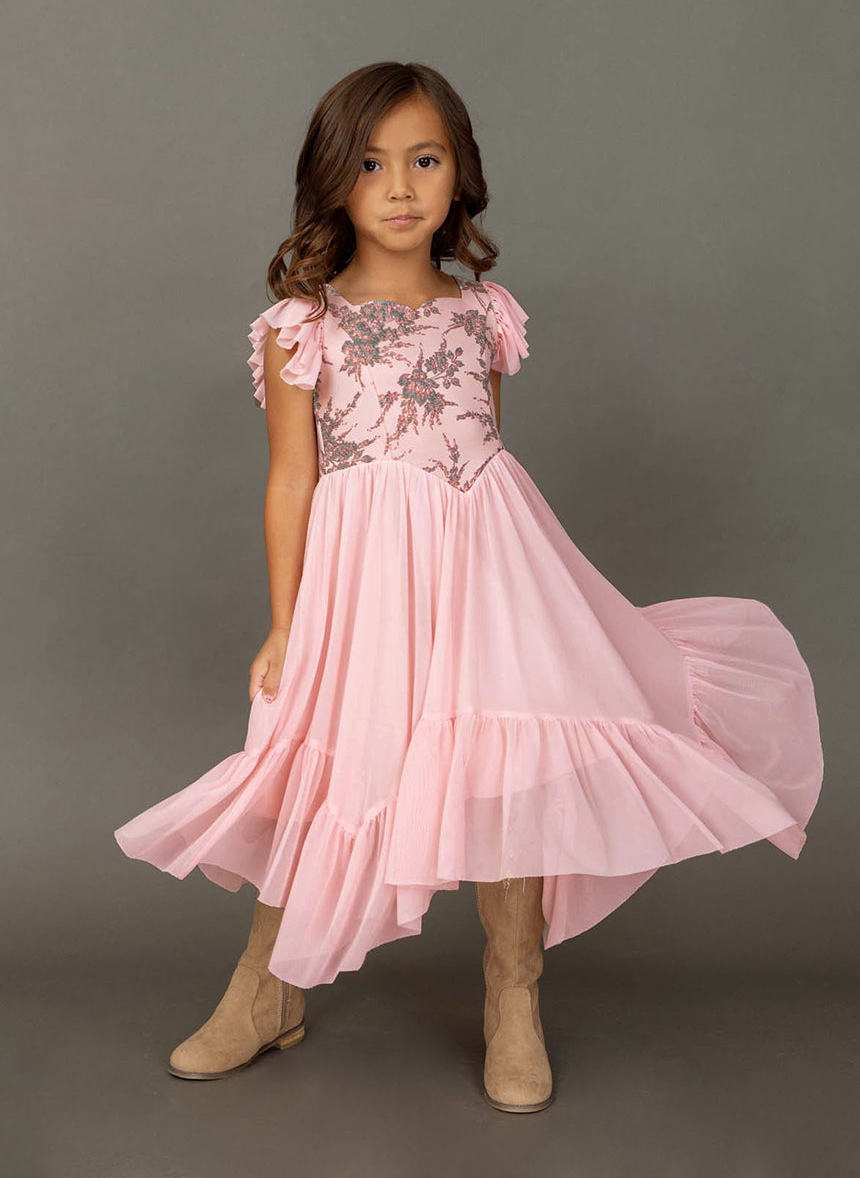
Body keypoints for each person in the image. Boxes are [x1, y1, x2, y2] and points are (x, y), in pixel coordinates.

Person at [113, 61, 824, 1113]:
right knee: (321, 764)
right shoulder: (303, 325)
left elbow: (482, 454)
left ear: (460, 175)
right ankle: (266, 989)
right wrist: (285, 621)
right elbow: (292, 480)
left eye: (425, 160)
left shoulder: (484, 313)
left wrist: (491, 579)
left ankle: (513, 991)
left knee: (505, 755)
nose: (400, 187)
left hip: (490, 568)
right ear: (332, 181)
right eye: (370, 165)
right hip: (362, 579)